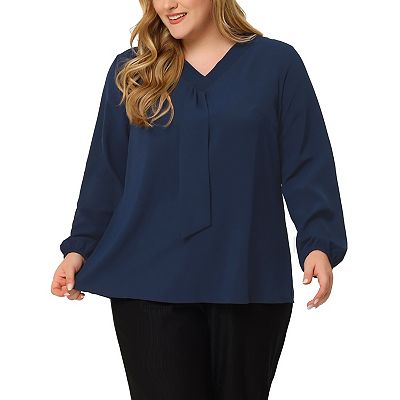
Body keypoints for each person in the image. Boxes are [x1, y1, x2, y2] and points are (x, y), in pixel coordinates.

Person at [51, 0, 348, 399]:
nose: (167, 4)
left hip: (247, 277)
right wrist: (79, 248)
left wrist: (318, 243)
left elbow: (307, 162)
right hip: (148, 282)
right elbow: (107, 173)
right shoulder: (133, 70)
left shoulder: (277, 65)